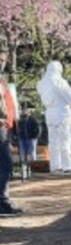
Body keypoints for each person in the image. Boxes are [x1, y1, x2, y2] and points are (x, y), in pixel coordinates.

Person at [37, 61, 71, 173]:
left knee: (53, 141)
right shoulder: (59, 81)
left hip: (49, 113)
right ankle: (68, 166)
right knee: (65, 139)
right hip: (61, 112)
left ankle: (55, 165)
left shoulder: (42, 83)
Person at [0, 51, 22, 216]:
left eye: (3, 60)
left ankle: (3, 201)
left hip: (5, 127)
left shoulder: (2, 80)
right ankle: (2, 202)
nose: (2, 62)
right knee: (5, 164)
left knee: (5, 165)